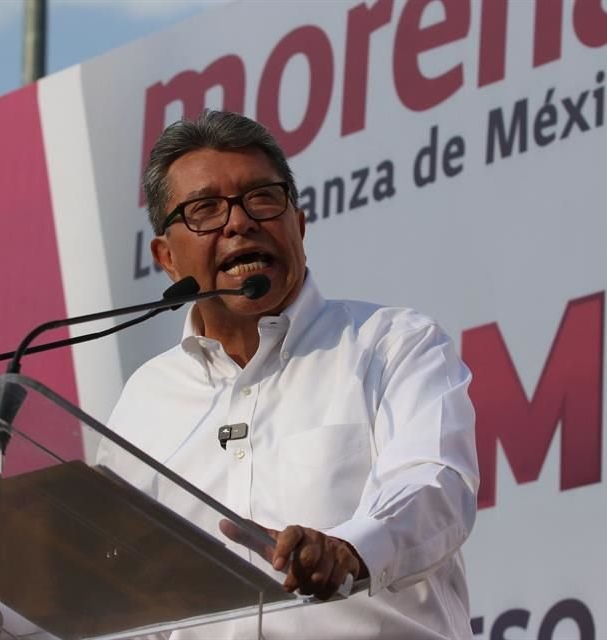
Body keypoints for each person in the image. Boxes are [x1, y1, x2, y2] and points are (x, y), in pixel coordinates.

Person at [103, 110, 479, 639]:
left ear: (298, 225)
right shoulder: (144, 400)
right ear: (166, 256)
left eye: (262, 198)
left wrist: (350, 551)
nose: (239, 222)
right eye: (205, 209)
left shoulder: (391, 344)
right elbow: (110, 576)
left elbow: (434, 483)